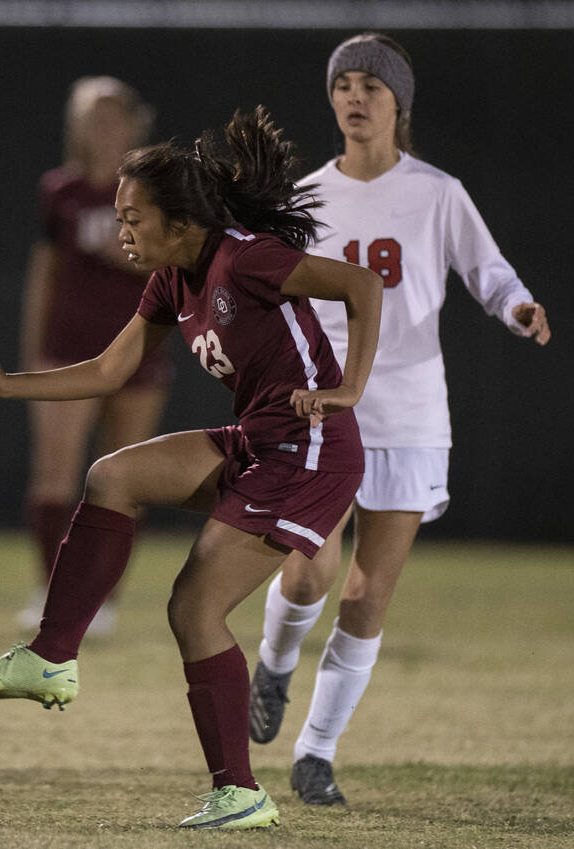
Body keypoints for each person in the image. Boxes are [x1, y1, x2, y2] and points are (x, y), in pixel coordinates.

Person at [0, 106, 384, 830]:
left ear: (180, 222)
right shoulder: (172, 280)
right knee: (112, 475)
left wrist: (350, 391)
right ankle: (52, 655)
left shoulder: (244, 258)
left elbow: (363, 288)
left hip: (309, 451)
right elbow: (109, 368)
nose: (120, 229)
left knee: (193, 607)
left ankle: (240, 792)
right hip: (260, 438)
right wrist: (5, 382)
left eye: (132, 216)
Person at [247, 32, 551, 806]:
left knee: (365, 596)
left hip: (411, 408)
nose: (354, 98)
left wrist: (517, 306)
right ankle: (275, 665)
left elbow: (489, 271)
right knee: (309, 571)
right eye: (343, 84)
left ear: (398, 105)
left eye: (370, 87)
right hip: (325, 407)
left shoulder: (436, 192)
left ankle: (316, 753)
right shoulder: (307, 199)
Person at [16, 76, 173, 635]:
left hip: (136, 349)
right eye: (91, 115)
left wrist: (131, 255)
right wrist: (33, 350)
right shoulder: (60, 190)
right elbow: (44, 273)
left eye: (112, 114)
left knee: (125, 477)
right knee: (55, 473)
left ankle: (102, 602)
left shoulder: (157, 190)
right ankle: (53, 591)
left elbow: (181, 267)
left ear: (134, 122)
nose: (102, 126)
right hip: (68, 352)